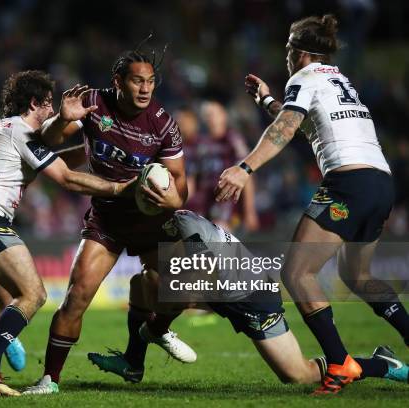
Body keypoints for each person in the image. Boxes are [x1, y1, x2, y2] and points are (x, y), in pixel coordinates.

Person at [216, 15, 409, 394]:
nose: (286, 55)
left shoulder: (303, 78)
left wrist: (244, 168)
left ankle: (339, 363)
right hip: (380, 182)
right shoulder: (337, 79)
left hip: (348, 184)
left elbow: (285, 129)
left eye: (288, 48)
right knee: (358, 277)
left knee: (296, 273)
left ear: (300, 53)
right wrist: (269, 100)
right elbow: (301, 121)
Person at [23, 41, 196, 395]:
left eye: (150, 82)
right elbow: (46, 140)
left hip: (151, 220)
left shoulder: (163, 123)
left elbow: (181, 187)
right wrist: (62, 119)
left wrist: (169, 198)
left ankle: (156, 330)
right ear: (117, 81)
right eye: (137, 81)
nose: (145, 89)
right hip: (107, 218)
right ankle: (49, 380)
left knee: (181, 291)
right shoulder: (92, 102)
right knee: (76, 297)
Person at [0, 70, 136, 396]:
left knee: (6, 300)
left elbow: (51, 160)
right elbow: (65, 178)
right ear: (35, 103)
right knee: (34, 294)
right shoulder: (21, 132)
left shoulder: (1, 128)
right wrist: (120, 188)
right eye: (49, 105)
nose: (52, 113)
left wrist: (93, 144)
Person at [88, 210, 409, 386]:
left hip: (252, 295)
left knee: (296, 375)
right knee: (141, 281)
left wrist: (157, 325)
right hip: (219, 292)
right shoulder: (159, 228)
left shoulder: (185, 225)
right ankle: (134, 363)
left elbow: (196, 283)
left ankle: (380, 365)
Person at [178, 104, 259, 232]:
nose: (210, 118)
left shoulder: (232, 140)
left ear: (223, 116)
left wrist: (250, 211)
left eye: (214, 114)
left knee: (218, 240)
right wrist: (177, 204)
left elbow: (247, 175)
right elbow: (192, 178)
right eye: (207, 115)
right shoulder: (200, 144)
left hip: (225, 207)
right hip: (203, 206)